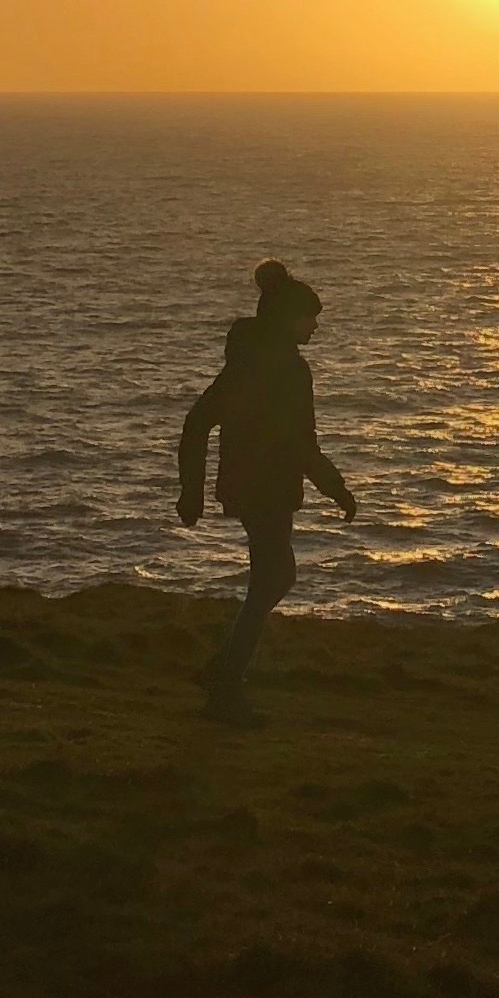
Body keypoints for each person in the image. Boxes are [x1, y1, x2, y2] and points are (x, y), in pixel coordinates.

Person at [178, 260, 353, 722]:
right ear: (288, 319)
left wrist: (194, 492)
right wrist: (337, 489)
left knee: (278, 577)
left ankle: (223, 671)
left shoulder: (244, 366)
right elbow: (302, 444)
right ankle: (225, 686)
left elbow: (197, 424)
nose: (315, 327)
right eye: (309, 319)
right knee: (270, 579)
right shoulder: (288, 373)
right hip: (264, 489)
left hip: (254, 486)